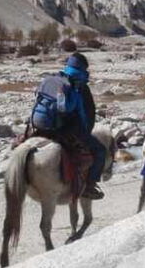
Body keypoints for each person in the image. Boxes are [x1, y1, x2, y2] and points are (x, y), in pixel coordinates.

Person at [30, 53, 106, 200]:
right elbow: (85, 114)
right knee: (100, 150)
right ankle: (90, 186)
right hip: (62, 130)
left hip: (38, 125)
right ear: (84, 68)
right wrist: (85, 132)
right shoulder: (79, 85)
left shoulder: (51, 79)